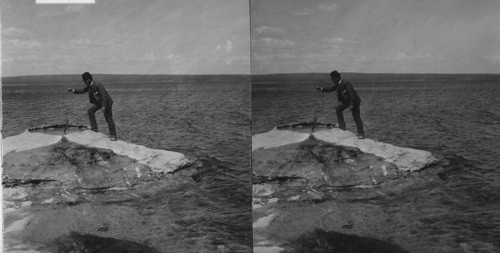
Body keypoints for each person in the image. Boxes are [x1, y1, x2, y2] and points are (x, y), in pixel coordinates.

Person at [68, 72, 117, 141]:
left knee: (108, 119)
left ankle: (113, 136)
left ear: (89, 79)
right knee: (90, 111)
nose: (84, 82)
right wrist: (73, 90)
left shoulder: (98, 84)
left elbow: (104, 96)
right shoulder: (89, 86)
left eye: (85, 80)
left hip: (106, 103)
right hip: (99, 103)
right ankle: (94, 129)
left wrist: (104, 106)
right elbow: (83, 90)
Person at [316, 70, 364, 139]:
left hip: (354, 102)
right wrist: (321, 88)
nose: (332, 81)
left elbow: (352, 95)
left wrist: (351, 105)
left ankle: (361, 134)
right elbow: (331, 89)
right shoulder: (338, 84)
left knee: (356, 117)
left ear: (337, 78)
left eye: (333, 79)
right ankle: (342, 127)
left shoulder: (346, 83)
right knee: (338, 108)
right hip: (346, 102)